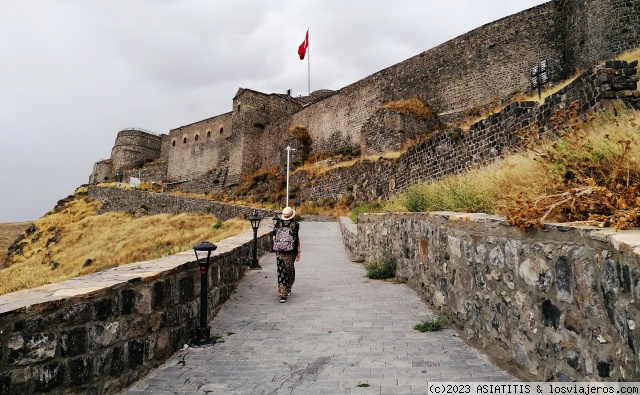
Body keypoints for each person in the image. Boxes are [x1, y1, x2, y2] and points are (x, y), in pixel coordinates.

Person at [272, 206, 301, 303]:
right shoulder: (295, 224)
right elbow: (296, 239)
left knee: (281, 271)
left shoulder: (278, 223)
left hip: (279, 252)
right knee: (290, 270)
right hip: (290, 251)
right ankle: (287, 290)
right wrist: (298, 252)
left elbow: (274, 238)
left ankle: (282, 293)